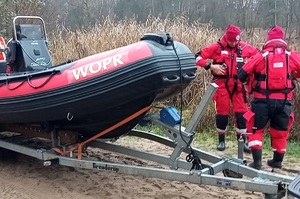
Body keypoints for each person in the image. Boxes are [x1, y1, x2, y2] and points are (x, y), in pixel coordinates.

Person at [238, 25, 300, 170]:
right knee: (280, 131)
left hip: (262, 101)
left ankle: (257, 162)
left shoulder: (260, 56)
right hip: (285, 102)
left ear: (268, 40)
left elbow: (242, 74)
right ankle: (277, 161)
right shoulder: (292, 56)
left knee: (254, 129)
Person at [195, 25, 258, 152]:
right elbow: (197, 57)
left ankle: (242, 142)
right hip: (221, 84)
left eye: (236, 40)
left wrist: (249, 65)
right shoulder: (216, 48)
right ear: (226, 38)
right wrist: (211, 66)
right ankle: (221, 141)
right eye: (232, 41)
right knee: (222, 114)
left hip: (238, 85)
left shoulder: (244, 47)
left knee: (241, 114)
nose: (234, 43)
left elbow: (259, 57)